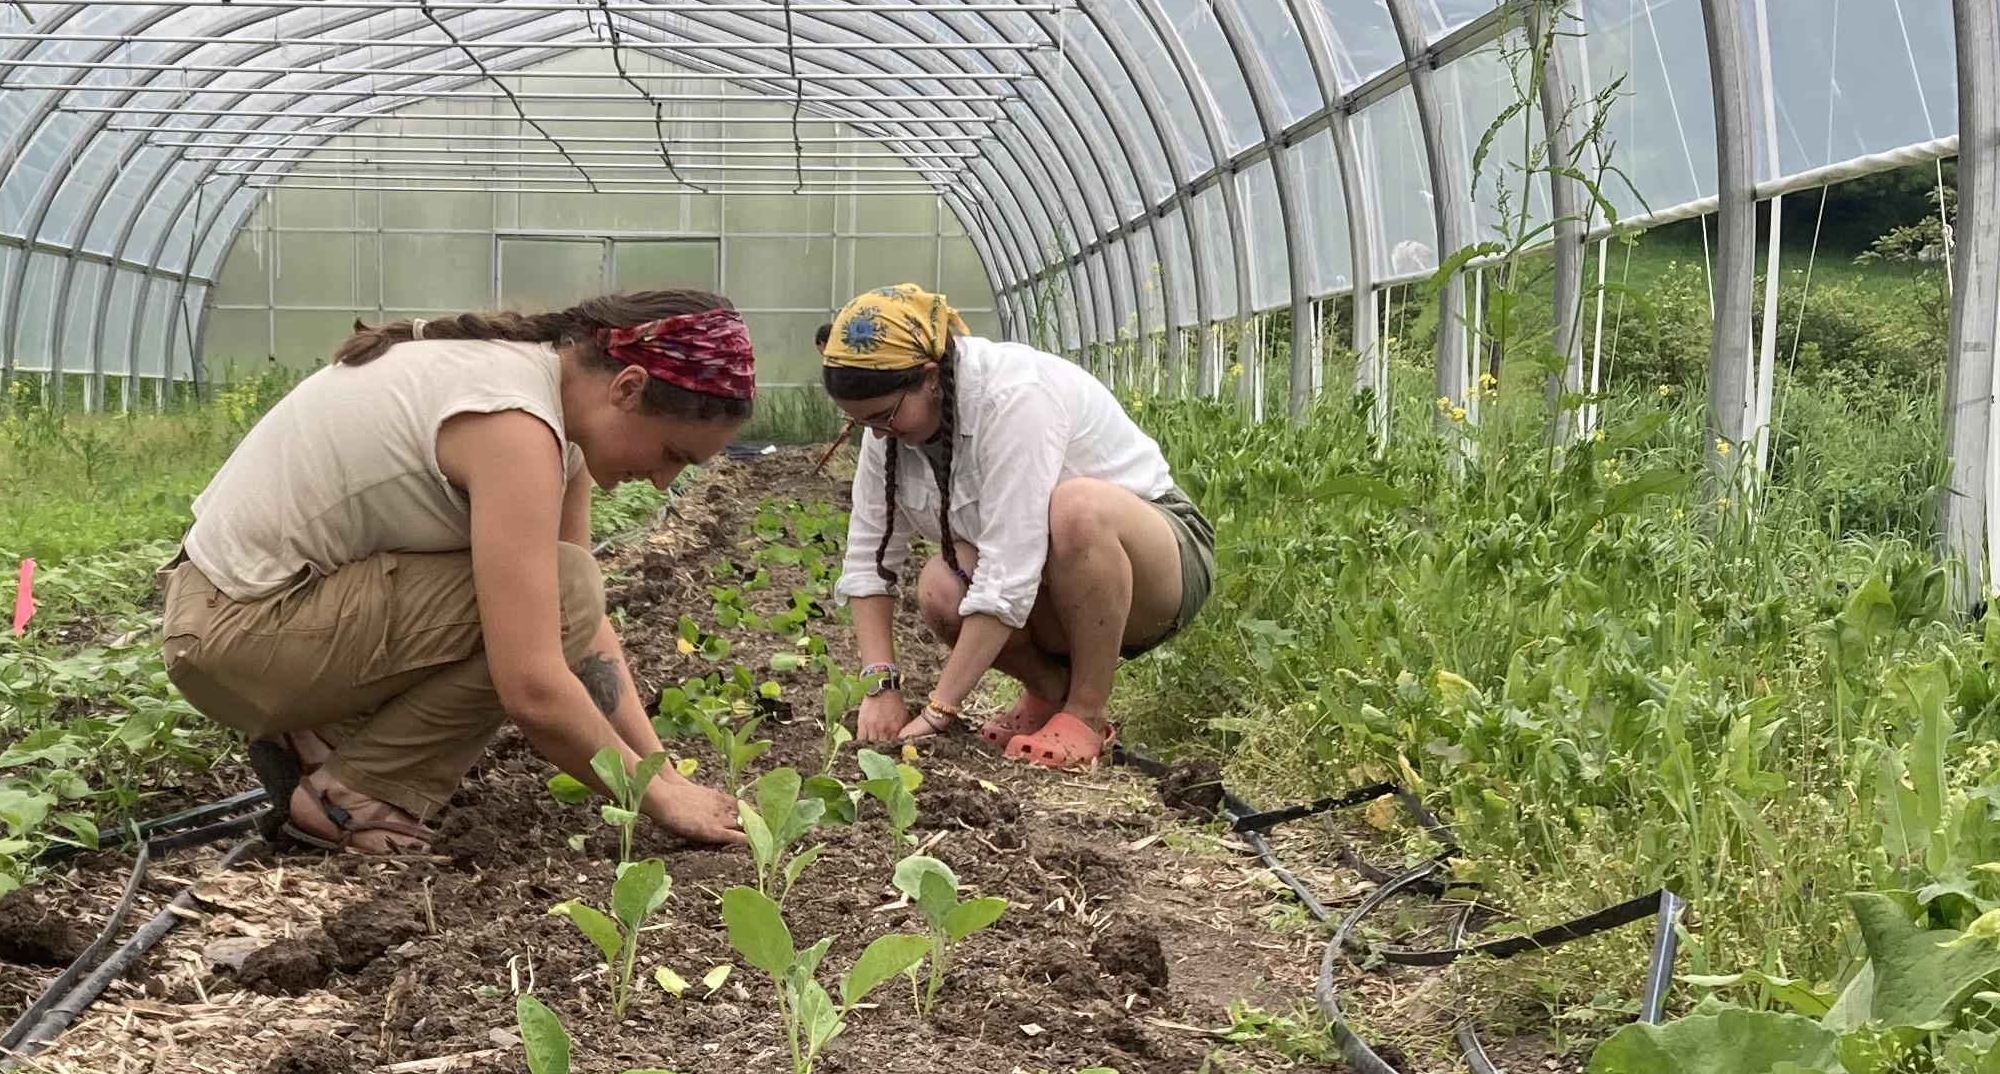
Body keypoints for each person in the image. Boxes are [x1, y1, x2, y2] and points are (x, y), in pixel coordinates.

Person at [161, 290, 758, 853]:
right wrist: (657, 801)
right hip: (236, 638)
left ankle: (325, 733)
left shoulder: (545, 406)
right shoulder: (513, 423)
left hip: (245, 622)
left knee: (566, 586)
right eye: (672, 454)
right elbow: (533, 684)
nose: (663, 480)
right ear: (628, 387)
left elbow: (581, 628)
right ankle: (348, 793)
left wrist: (663, 771)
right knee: (560, 594)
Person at [819, 284, 1215, 772]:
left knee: (1077, 509)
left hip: (1154, 566)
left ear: (928, 378)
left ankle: (1086, 714)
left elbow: (1008, 572)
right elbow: (867, 560)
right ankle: (1048, 695)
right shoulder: (888, 428)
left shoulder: (1014, 397)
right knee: (942, 585)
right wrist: (880, 683)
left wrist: (938, 711)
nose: (877, 432)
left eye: (884, 416)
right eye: (859, 423)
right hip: (1051, 582)